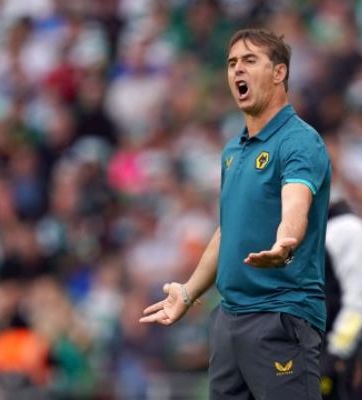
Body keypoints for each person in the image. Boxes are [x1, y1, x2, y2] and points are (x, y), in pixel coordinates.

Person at [140, 28, 331, 400]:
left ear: (279, 73)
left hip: (279, 315)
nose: (237, 71)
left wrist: (285, 242)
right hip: (229, 322)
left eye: (249, 61)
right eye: (231, 63)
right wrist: (189, 291)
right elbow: (229, 229)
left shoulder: (299, 140)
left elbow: (296, 203)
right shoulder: (233, 150)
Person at [320, 195, 362, 400]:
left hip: (336, 356)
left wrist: (336, 351)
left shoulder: (348, 229)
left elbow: (360, 303)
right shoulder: (316, 228)